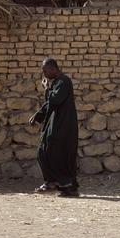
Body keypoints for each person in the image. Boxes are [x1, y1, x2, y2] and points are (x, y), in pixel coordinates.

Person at [30, 58, 79, 197]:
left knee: (56, 152)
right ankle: (56, 183)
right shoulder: (57, 83)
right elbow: (49, 103)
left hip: (63, 125)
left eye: (45, 70)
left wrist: (47, 88)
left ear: (52, 69)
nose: (43, 73)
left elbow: (55, 100)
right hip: (55, 124)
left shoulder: (64, 81)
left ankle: (64, 185)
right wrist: (38, 116)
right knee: (45, 150)